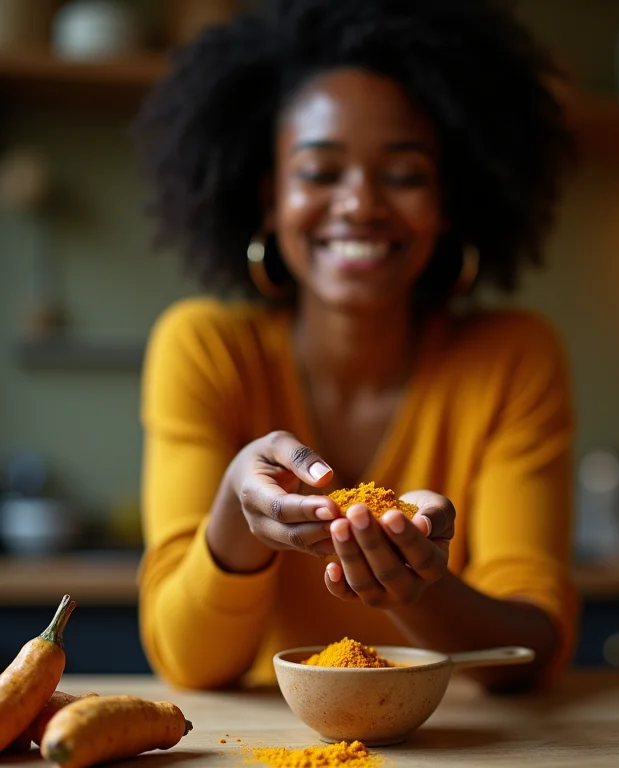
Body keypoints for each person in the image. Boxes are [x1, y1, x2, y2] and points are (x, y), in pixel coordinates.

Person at [133, 0, 578, 692]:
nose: (361, 203)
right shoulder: (204, 349)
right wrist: (238, 510)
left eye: (403, 175)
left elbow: (534, 648)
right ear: (270, 199)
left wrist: (418, 585)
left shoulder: (513, 357)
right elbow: (187, 662)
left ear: (446, 204)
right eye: (320, 172)